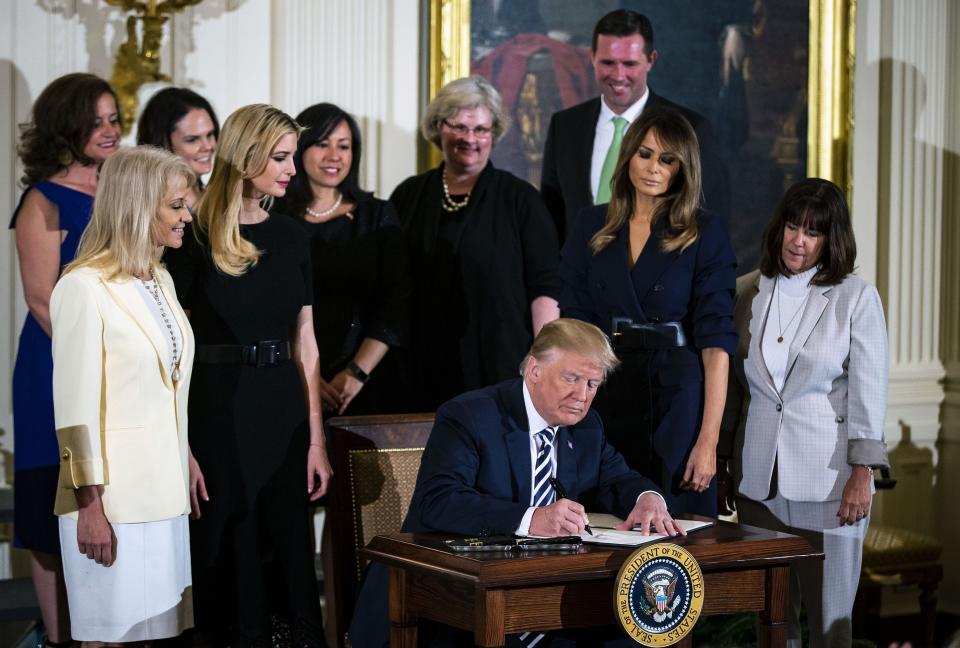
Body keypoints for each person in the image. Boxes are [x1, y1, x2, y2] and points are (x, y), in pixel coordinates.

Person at [350, 318, 684, 647]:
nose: (582, 395)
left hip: (545, 596)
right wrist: (531, 519)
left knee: (643, 636)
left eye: (593, 384)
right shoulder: (470, 415)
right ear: (535, 371)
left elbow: (618, 479)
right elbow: (439, 501)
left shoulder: (586, 427)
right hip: (447, 596)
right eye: (572, 378)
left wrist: (647, 497)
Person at [165, 104, 332, 646]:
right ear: (246, 158)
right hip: (216, 411)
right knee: (227, 544)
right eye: (280, 157)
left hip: (282, 406)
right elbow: (174, 345)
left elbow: (305, 342)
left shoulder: (291, 237)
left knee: (286, 541)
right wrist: (180, 443)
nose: (291, 168)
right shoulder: (194, 235)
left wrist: (316, 438)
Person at [719, 178, 889, 648]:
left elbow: (868, 389)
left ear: (830, 239)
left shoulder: (855, 297)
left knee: (831, 626)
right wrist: (722, 463)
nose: (798, 240)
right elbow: (737, 391)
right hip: (758, 480)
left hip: (831, 483)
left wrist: (863, 472)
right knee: (773, 621)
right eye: (793, 226)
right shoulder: (746, 292)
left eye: (812, 232)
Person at [559, 107, 737, 517]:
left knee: (677, 534)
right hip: (605, 390)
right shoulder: (590, 224)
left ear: (682, 168)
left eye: (667, 159)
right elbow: (571, 327)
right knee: (601, 519)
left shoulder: (704, 231)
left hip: (679, 399)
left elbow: (716, 343)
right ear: (627, 157)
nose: (653, 168)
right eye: (645, 153)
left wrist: (708, 443)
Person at [49, 146, 196, 642]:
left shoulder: (162, 279)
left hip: (165, 493)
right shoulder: (83, 287)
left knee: (157, 635)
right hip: (113, 504)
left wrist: (186, 455)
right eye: (176, 206)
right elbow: (73, 411)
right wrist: (88, 505)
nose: (187, 216)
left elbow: (166, 386)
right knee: (109, 638)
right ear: (137, 205)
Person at [10, 71, 121, 647]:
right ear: (66, 128)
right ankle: (59, 640)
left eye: (113, 118)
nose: (108, 130)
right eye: (94, 121)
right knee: (49, 519)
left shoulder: (123, 192)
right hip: (54, 371)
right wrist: (95, 359)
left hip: (118, 370)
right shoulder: (43, 199)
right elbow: (40, 299)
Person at [390, 75, 561, 411]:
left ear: (493, 134)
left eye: (481, 130)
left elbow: (545, 287)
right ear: (438, 126)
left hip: (500, 365)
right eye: (459, 127)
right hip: (420, 367)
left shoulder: (521, 199)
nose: (470, 139)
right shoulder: (408, 195)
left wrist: (543, 361)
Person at [540, 9, 730, 243]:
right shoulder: (565, 126)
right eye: (608, 63)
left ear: (650, 60)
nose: (618, 76)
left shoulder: (692, 128)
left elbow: (710, 222)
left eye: (629, 64)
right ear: (592, 57)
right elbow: (550, 219)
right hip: (576, 276)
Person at [275, 102, 411, 415]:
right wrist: (305, 373)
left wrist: (356, 372)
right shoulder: (274, 219)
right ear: (299, 148)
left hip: (366, 383)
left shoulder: (377, 215)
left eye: (344, 146)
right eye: (322, 144)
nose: (334, 156)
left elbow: (396, 305)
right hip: (288, 379)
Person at [137, 86, 219, 208]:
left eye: (210, 135)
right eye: (192, 140)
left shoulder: (218, 198)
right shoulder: (148, 207)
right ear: (162, 144)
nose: (207, 146)